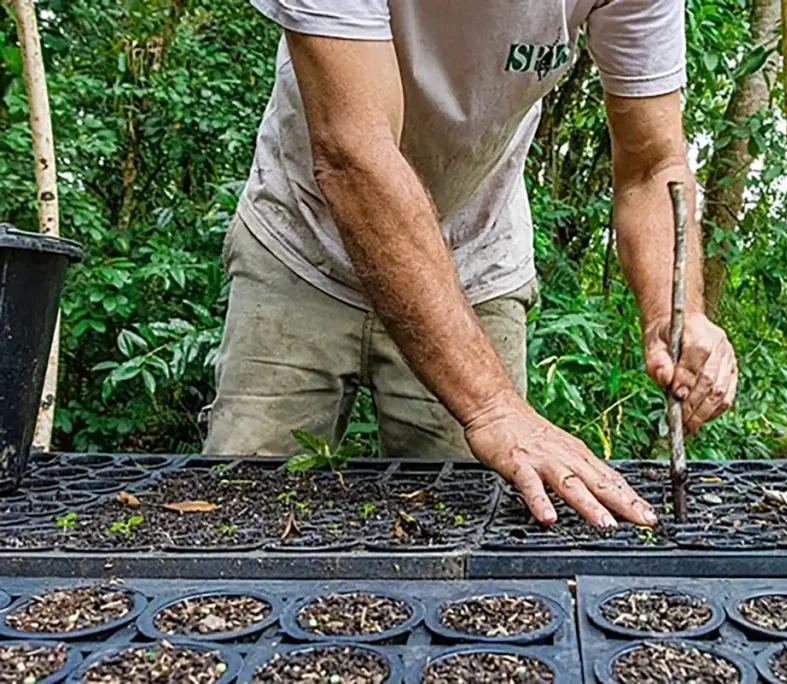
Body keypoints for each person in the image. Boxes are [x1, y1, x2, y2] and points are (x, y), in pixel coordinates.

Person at [204, 0, 737, 529]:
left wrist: (676, 311)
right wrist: (492, 405)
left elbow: (652, 164)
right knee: (241, 515)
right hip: (301, 245)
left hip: (473, 264)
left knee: (475, 530)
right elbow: (353, 155)